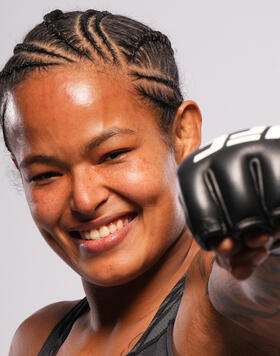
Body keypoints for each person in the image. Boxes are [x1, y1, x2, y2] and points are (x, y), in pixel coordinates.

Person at [1, 9, 279, 356]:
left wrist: (268, 235)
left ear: (182, 134)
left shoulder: (212, 309)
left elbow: (253, 290)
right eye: (45, 175)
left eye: (112, 154)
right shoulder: (36, 339)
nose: (85, 200)